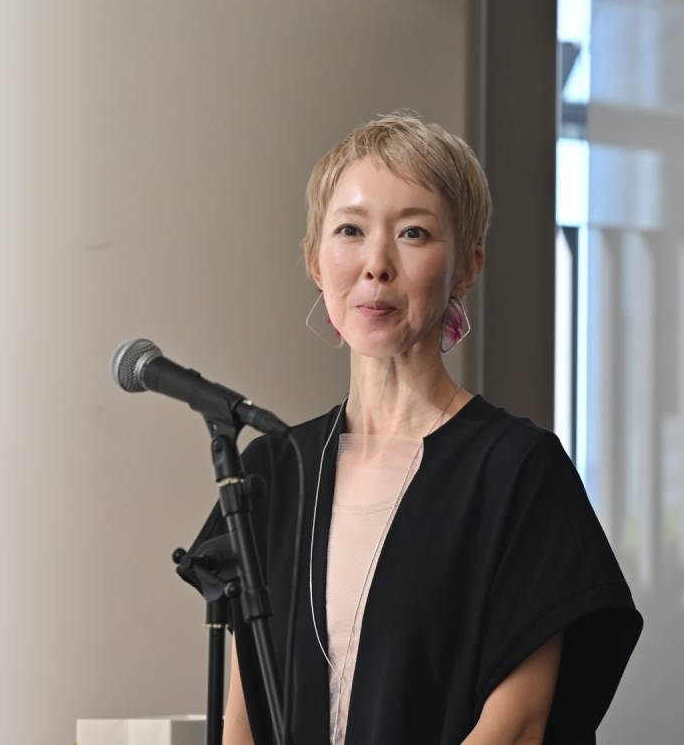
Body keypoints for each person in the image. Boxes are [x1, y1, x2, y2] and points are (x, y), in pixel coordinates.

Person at [180, 112, 643, 744]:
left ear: (467, 267)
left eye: (414, 233)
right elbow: (242, 720)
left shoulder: (517, 470)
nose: (376, 264)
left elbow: (517, 728)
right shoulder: (270, 472)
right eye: (350, 230)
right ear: (315, 260)